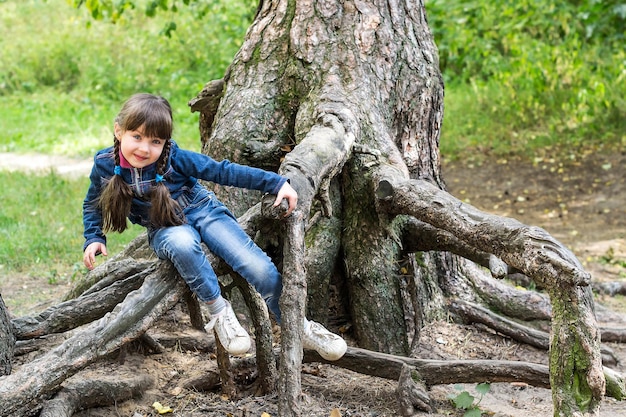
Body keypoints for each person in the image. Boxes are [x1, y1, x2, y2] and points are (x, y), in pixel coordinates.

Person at [82, 93, 347, 361]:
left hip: (203, 211)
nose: (144, 148)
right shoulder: (105, 164)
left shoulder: (176, 159)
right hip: (165, 226)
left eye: (155, 141)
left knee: (258, 267)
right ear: (118, 131)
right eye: (136, 137)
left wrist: (276, 183)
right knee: (182, 245)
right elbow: (93, 202)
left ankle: (299, 326)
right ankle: (220, 312)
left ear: (165, 142)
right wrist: (94, 236)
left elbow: (224, 171)